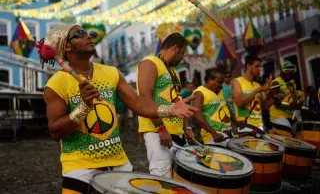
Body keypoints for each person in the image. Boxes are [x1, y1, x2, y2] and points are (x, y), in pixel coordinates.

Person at [43, 25, 196, 194]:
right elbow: (55, 132)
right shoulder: (56, 83)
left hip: (118, 163)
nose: (88, 36)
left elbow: (139, 105)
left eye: (86, 32)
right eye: (80, 34)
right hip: (79, 167)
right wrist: (83, 107)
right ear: (67, 46)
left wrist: (170, 109)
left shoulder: (111, 73)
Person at [137, 33, 195, 178]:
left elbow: (178, 101)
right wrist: (161, 128)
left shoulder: (173, 71)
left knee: (179, 179)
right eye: (182, 53)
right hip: (158, 132)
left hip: (177, 133)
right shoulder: (150, 62)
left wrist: (186, 127)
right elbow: (145, 99)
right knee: (162, 179)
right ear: (175, 48)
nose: (183, 57)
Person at [231, 56, 273, 135]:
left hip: (260, 127)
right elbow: (239, 103)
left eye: (260, 66)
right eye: (257, 66)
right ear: (248, 66)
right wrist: (258, 90)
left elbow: (264, 107)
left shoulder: (257, 84)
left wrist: (273, 95)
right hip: (245, 127)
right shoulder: (237, 81)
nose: (259, 69)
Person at [192, 69, 231, 147]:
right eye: (219, 82)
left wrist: (237, 123)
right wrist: (214, 133)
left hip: (225, 135)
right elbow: (196, 115)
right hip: (212, 138)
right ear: (210, 79)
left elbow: (225, 107)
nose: (221, 86)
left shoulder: (219, 91)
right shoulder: (199, 93)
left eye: (222, 83)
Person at [269, 61, 304, 137]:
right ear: (282, 71)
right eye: (287, 71)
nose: (290, 73)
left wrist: (298, 103)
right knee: (289, 138)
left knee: (299, 137)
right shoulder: (276, 82)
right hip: (278, 116)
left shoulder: (292, 83)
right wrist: (288, 104)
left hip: (290, 116)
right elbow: (273, 100)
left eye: (292, 71)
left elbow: (293, 98)